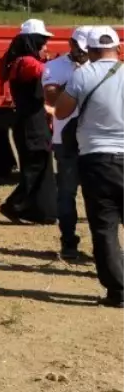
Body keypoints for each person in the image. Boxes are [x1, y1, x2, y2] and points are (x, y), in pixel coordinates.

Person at [54, 26, 124, 308]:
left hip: (98, 158)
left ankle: (118, 292)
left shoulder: (83, 74)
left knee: (105, 227)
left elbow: (61, 111)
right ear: (118, 48)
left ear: (91, 51)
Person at [0, 19, 58, 225]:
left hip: (32, 121)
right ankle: (13, 205)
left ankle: (40, 211)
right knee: (35, 168)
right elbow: (48, 74)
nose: (45, 47)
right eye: (42, 43)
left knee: (39, 167)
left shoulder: (20, 62)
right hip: (31, 125)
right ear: (31, 43)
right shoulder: (27, 63)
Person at [44, 26, 93, 261]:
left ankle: (102, 246)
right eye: (80, 50)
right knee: (66, 193)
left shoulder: (98, 65)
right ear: (71, 44)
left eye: (88, 51)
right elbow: (51, 97)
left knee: (99, 196)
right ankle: (69, 244)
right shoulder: (54, 67)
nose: (84, 55)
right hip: (66, 140)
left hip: (94, 140)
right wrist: (79, 81)